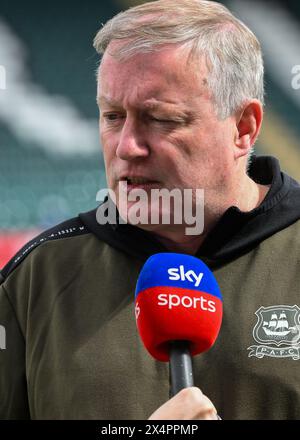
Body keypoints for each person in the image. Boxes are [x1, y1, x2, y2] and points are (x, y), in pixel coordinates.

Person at [1, 0, 300, 420]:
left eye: (159, 119)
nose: (126, 146)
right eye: (112, 116)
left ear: (244, 128)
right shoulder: (35, 278)